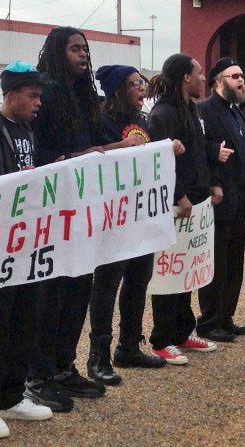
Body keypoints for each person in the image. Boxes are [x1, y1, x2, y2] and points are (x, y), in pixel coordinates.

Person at [0, 61, 55, 436]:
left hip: (26, 240)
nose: (38, 102)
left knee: (25, 316)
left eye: (40, 96)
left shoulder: (28, 130)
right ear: (11, 95)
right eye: (32, 95)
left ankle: (12, 393)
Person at [27, 26, 107, 408]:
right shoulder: (44, 92)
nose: (83, 55)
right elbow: (34, 153)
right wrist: (70, 160)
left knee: (79, 289)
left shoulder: (86, 94)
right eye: (76, 49)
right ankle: (37, 374)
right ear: (59, 52)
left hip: (83, 208)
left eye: (86, 49)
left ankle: (63, 366)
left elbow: (98, 144)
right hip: (51, 209)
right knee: (51, 295)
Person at [87, 64, 175, 383]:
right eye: (136, 83)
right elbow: (90, 158)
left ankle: (129, 346)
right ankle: (99, 355)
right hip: (113, 217)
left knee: (139, 278)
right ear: (118, 90)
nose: (142, 89)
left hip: (141, 216)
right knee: (108, 282)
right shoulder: (101, 120)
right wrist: (119, 148)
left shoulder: (140, 120)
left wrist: (166, 150)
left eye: (142, 82)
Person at [146, 54, 227, 364]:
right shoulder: (163, 114)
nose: (204, 77)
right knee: (169, 269)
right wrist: (180, 196)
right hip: (175, 206)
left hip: (197, 201)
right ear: (185, 78)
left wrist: (212, 184)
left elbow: (201, 151)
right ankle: (161, 339)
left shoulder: (192, 109)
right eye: (199, 72)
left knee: (187, 269)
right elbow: (163, 161)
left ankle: (182, 331)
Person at [196, 57, 245, 342]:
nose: (241, 80)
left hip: (238, 198)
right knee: (215, 262)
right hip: (218, 196)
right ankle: (209, 320)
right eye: (234, 76)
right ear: (218, 81)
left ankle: (226, 317)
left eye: (241, 76)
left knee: (234, 260)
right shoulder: (203, 110)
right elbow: (193, 144)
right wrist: (213, 151)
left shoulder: (237, 112)